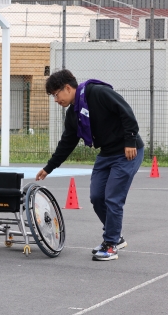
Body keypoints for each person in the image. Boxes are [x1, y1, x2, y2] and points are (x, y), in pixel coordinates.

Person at [35, 69, 144, 261]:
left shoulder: (97, 93)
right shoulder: (73, 115)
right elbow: (67, 143)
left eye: (55, 94)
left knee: (112, 197)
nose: (55, 99)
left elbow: (125, 111)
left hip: (128, 152)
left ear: (67, 88)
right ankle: (115, 236)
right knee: (96, 197)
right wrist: (49, 167)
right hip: (107, 153)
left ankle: (110, 244)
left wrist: (130, 140)